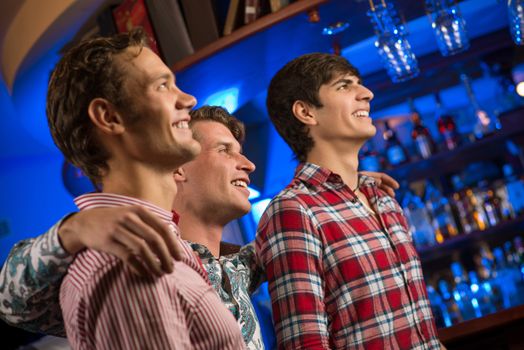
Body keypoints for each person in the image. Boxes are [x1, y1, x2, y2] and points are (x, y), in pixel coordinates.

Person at [42, 29, 245, 349]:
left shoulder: (158, 243)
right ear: (108, 117)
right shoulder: (131, 262)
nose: (188, 100)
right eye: (162, 85)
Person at [256, 53, 441, 349]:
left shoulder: (383, 199)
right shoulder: (293, 211)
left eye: (360, 84)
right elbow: (305, 344)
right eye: (344, 86)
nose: (367, 94)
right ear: (306, 112)